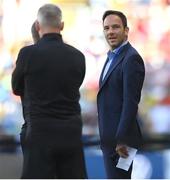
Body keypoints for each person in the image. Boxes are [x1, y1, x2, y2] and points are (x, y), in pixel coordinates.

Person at [12, 4, 87, 179]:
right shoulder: (78, 56)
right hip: (71, 132)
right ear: (62, 25)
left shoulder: (27, 54)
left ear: (38, 26)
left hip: (40, 132)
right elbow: (75, 84)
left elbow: (16, 88)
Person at [97, 10, 145, 179]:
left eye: (116, 27)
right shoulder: (112, 57)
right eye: (107, 28)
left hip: (121, 143)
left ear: (126, 30)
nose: (110, 31)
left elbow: (130, 102)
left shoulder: (131, 58)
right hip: (111, 140)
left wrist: (121, 139)